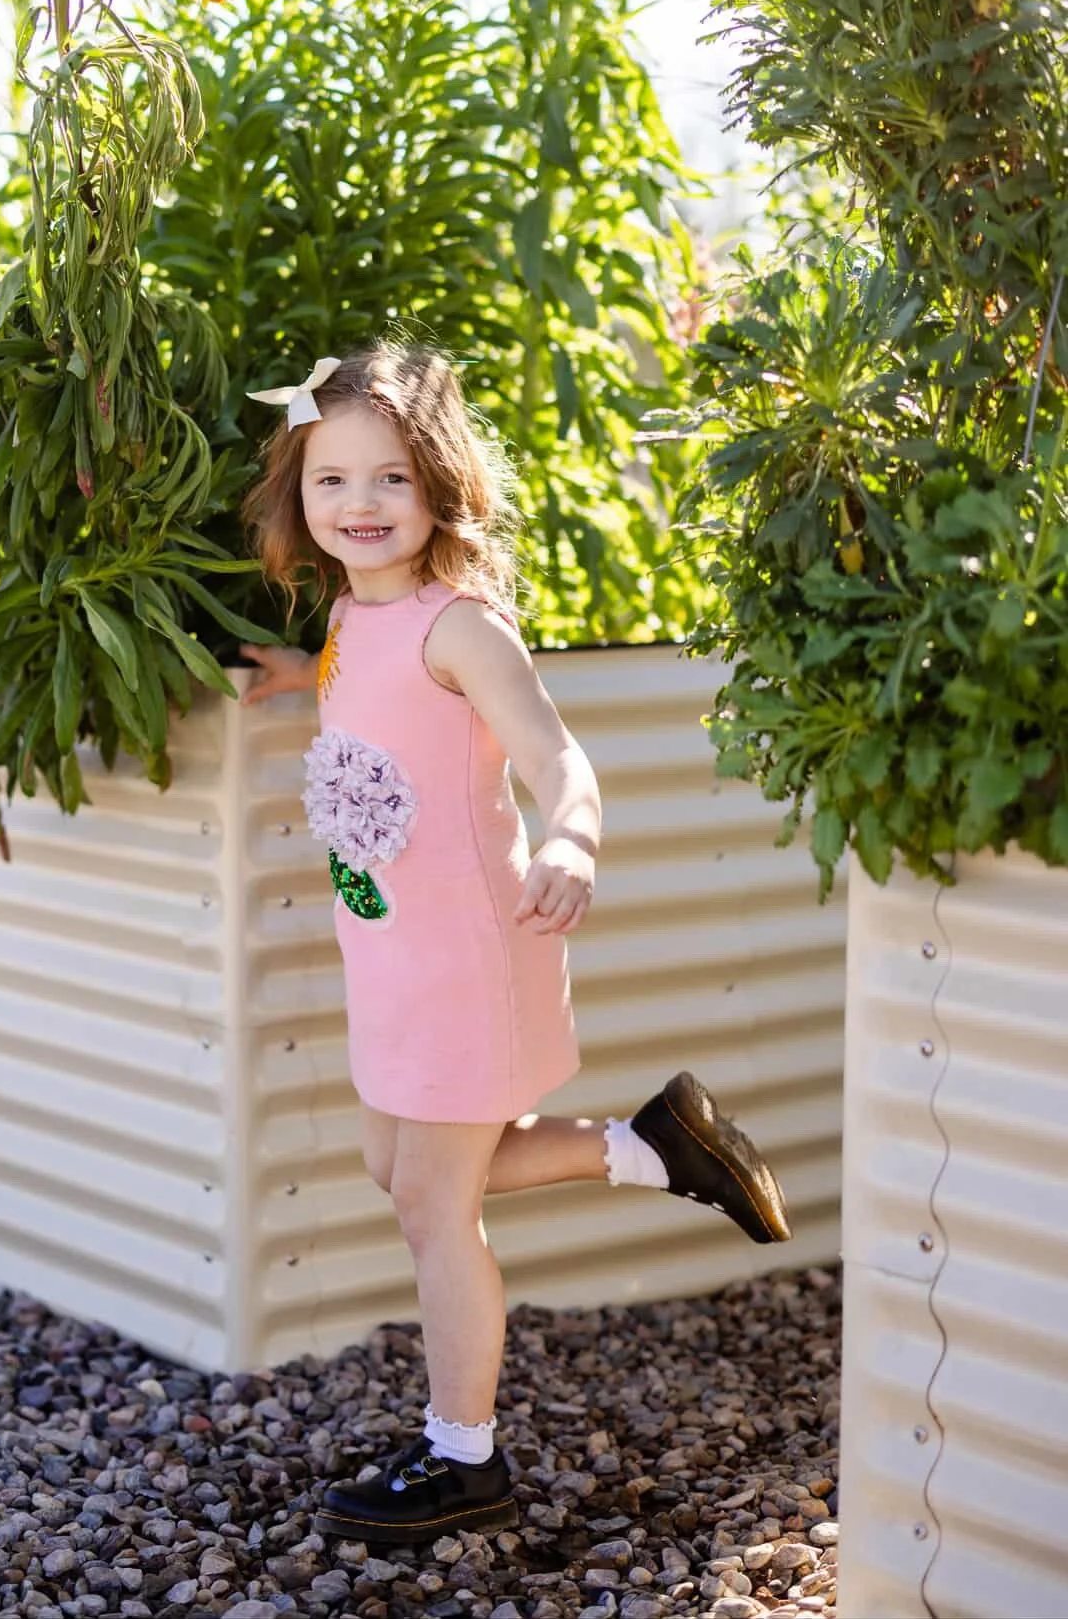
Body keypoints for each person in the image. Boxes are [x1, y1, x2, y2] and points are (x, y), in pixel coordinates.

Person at [239, 343, 790, 1546]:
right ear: (299, 491)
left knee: (434, 1208)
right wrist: (300, 670)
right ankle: (653, 1145)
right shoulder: (352, 613)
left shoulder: (462, 629)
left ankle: (464, 1456)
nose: (360, 503)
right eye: (332, 479)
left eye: (390, 477)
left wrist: (573, 838)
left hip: (466, 958)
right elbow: (365, 690)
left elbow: (555, 754)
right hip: (391, 953)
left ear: (440, 482)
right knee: (397, 1165)